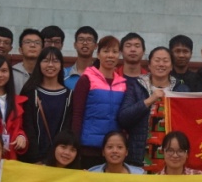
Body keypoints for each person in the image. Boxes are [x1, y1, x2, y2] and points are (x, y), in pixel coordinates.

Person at [118, 46, 187, 169]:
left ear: (171, 66)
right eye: (157, 60)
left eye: (165, 61)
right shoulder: (136, 86)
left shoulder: (181, 89)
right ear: (149, 65)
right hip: (140, 156)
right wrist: (149, 100)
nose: (161, 64)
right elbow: (124, 118)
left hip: (172, 157)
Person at [71, 35, 126, 165]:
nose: (110, 55)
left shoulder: (123, 83)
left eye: (114, 52)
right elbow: (77, 113)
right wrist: (75, 143)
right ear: (98, 54)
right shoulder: (86, 79)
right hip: (88, 148)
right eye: (106, 51)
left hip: (113, 149)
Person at [20, 47, 73, 164]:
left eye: (55, 61)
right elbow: (27, 126)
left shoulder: (69, 95)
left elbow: (67, 127)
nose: (50, 65)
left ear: (61, 65)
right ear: (39, 64)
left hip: (58, 160)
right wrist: (35, 157)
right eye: (45, 60)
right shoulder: (30, 91)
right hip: (32, 159)